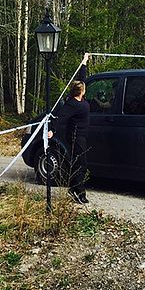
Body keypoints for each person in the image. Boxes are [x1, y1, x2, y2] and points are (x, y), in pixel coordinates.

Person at [48, 52, 91, 203]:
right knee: (81, 165)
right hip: (75, 137)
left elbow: (81, 79)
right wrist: (52, 130)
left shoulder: (80, 98)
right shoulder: (72, 104)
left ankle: (74, 189)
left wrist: (84, 62)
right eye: (83, 88)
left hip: (82, 137)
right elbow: (60, 118)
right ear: (81, 91)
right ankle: (78, 192)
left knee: (79, 164)